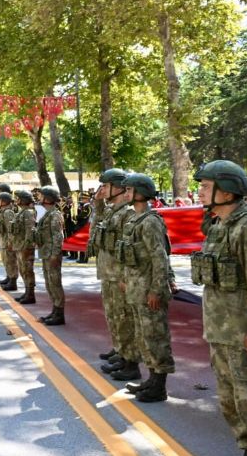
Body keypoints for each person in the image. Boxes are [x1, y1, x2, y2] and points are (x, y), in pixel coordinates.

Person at [190, 161, 247, 456]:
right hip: (222, 331)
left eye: (206, 187)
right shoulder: (220, 225)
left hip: (245, 333)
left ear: (227, 191)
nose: (200, 192)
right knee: (231, 402)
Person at [116, 173, 176, 403]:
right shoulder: (134, 219)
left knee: (155, 336)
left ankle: (159, 385)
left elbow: (160, 258)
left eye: (130, 190)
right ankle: (151, 379)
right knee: (143, 335)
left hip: (148, 289)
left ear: (141, 192)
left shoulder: (150, 221)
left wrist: (156, 290)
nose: (127, 193)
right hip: (136, 287)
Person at [95, 169, 142, 382]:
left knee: (124, 319)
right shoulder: (113, 211)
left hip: (118, 275)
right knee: (114, 318)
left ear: (118, 187)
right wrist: (97, 203)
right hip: (108, 273)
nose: (101, 189)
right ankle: (121, 353)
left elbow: (129, 249)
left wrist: (125, 277)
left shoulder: (127, 213)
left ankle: (130, 362)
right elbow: (95, 228)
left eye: (105, 185)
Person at [35, 187, 66, 326]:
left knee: (55, 283)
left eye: (41, 196)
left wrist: (55, 254)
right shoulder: (48, 214)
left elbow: (58, 236)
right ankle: (54, 310)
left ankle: (59, 314)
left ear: (48, 198)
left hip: (51, 254)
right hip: (46, 252)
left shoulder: (54, 215)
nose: (39, 198)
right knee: (49, 283)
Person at [10, 190, 38, 304]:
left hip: (25, 247)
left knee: (27, 270)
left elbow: (29, 231)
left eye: (18, 198)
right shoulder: (22, 212)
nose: (16, 200)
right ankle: (27, 292)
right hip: (20, 245)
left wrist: (27, 245)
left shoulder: (28, 213)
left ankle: (30, 294)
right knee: (23, 270)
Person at [0, 192, 19, 290]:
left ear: (4, 201)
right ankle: (9, 277)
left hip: (7, 241)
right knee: (6, 260)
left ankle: (13, 281)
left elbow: (10, 229)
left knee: (11, 261)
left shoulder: (8, 212)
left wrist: (10, 242)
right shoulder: (2, 210)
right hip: (3, 240)